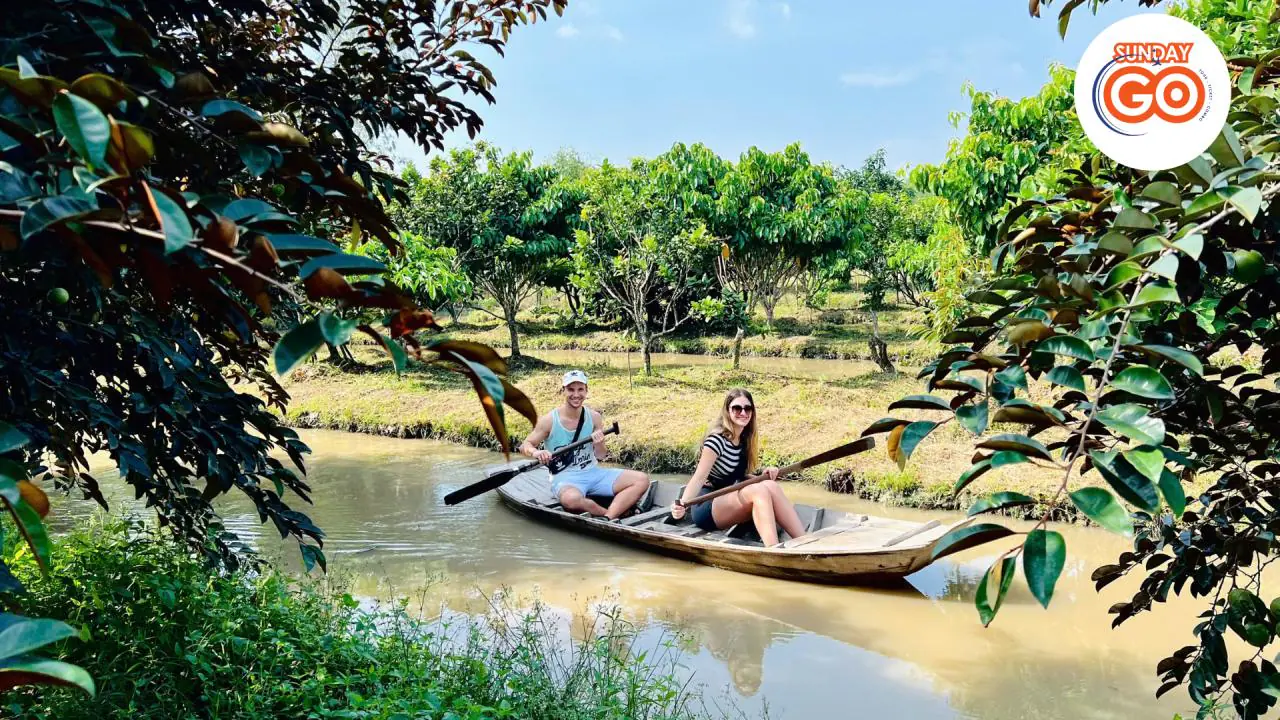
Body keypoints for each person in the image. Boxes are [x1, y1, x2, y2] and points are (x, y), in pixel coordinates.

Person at [670, 388, 806, 547]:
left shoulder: (744, 440)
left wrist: (764, 475)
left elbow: (739, 476)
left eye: (748, 408)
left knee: (770, 485)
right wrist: (682, 504)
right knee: (759, 490)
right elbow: (699, 477)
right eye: (737, 408)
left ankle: (805, 541)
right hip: (707, 505)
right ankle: (774, 550)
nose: (743, 412)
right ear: (727, 411)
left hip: (729, 497)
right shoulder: (716, 441)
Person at [518, 369, 650, 520]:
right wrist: (537, 453)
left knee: (642, 479)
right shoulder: (549, 420)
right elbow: (525, 445)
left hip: (593, 472)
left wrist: (599, 443)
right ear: (563, 391)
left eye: (580, 389)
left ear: (586, 391)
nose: (576, 394)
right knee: (571, 500)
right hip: (565, 478)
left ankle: (609, 517)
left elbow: (600, 455)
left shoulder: (594, 417)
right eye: (570, 389)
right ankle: (611, 514)